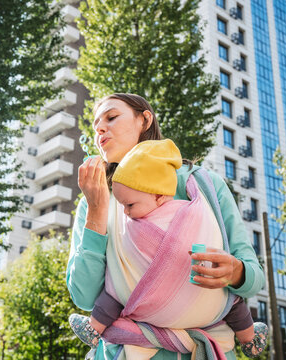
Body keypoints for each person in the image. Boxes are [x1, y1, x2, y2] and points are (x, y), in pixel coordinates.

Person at [66, 93, 265, 360]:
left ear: (144, 120)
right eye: (95, 126)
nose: (100, 128)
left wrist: (237, 272)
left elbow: (254, 278)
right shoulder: (94, 201)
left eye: (112, 117)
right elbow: (85, 297)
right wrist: (97, 211)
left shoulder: (203, 185)